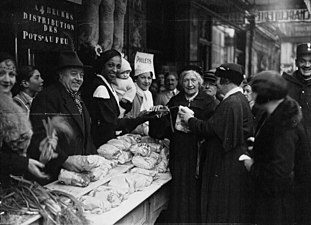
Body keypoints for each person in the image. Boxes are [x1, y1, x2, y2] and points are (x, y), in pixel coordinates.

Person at [179, 63, 254, 223]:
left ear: (225, 81)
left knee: (220, 209)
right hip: (233, 161)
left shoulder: (231, 103)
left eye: (217, 80)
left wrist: (190, 119)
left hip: (224, 163)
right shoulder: (238, 99)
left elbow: (211, 128)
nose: (215, 84)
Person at [149, 68, 217, 223]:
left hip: (198, 151)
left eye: (193, 80)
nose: (190, 84)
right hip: (179, 151)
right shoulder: (175, 100)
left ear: (199, 83)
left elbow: (211, 127)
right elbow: (164, 128)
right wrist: (157, 115)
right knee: (179, 188)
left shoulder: (208, 101)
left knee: (196, 188)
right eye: (186, 80)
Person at [243, 71, 311, 225]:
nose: (252, 96)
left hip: (279, 206)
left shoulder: (283, 124)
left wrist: (252, 166)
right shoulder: (281, 114)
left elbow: (280, 173)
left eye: (255, 92)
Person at [28, 50, 97, 184]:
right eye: (73, 74)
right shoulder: (48, 97)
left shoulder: (77, 98)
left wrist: (94, 159)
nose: (79, 78)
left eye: (82, 75)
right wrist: (64, 160)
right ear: (60, 75)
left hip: (78, 174)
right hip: (55, 176)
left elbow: (85, 135)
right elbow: (40, 136)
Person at [84, 49, 155, 147]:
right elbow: (112, 123)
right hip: (100, 142)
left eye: (118, 66)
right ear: (102, 64)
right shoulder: (101, 88)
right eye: (110, 65)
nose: (115, 70)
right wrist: (140, 119)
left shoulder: (108, 85)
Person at [0, 52, 49, 185]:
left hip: (15, 180)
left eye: (11, 75)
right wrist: (24, 163)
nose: (7, 80)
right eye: (1, 73)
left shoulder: (9, 103)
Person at [283, 43, 311, 141]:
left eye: (310, 61)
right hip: (291, 146)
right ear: (296, 63)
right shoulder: (284, 85)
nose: (307, 65)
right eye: (302, 61)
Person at [124, 64, 154, 136]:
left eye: (149, 78)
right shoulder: (131, 93)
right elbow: (127, 120)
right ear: (136, 78)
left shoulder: (148, 94)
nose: (147, 81)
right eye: (143, 78)